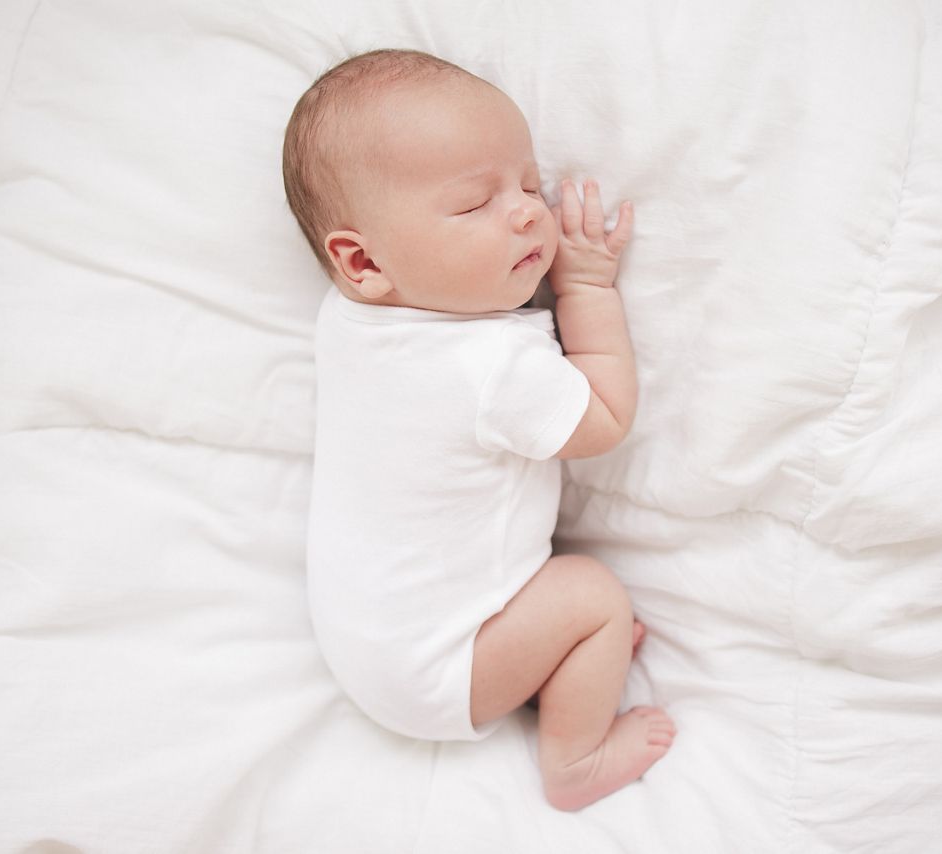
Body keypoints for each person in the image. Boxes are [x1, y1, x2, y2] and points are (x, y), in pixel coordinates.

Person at [284, 48, 675, 811]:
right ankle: (575, 763)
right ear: (362, 259)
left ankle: (546, 664)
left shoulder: (350, 322)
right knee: (594, 596)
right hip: (442, 671)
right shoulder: (490, 366)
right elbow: (604, 418)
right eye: (474, 205)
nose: (529, 210)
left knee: (570, 604)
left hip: (374, 648)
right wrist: (587, 285)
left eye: (529, 182)